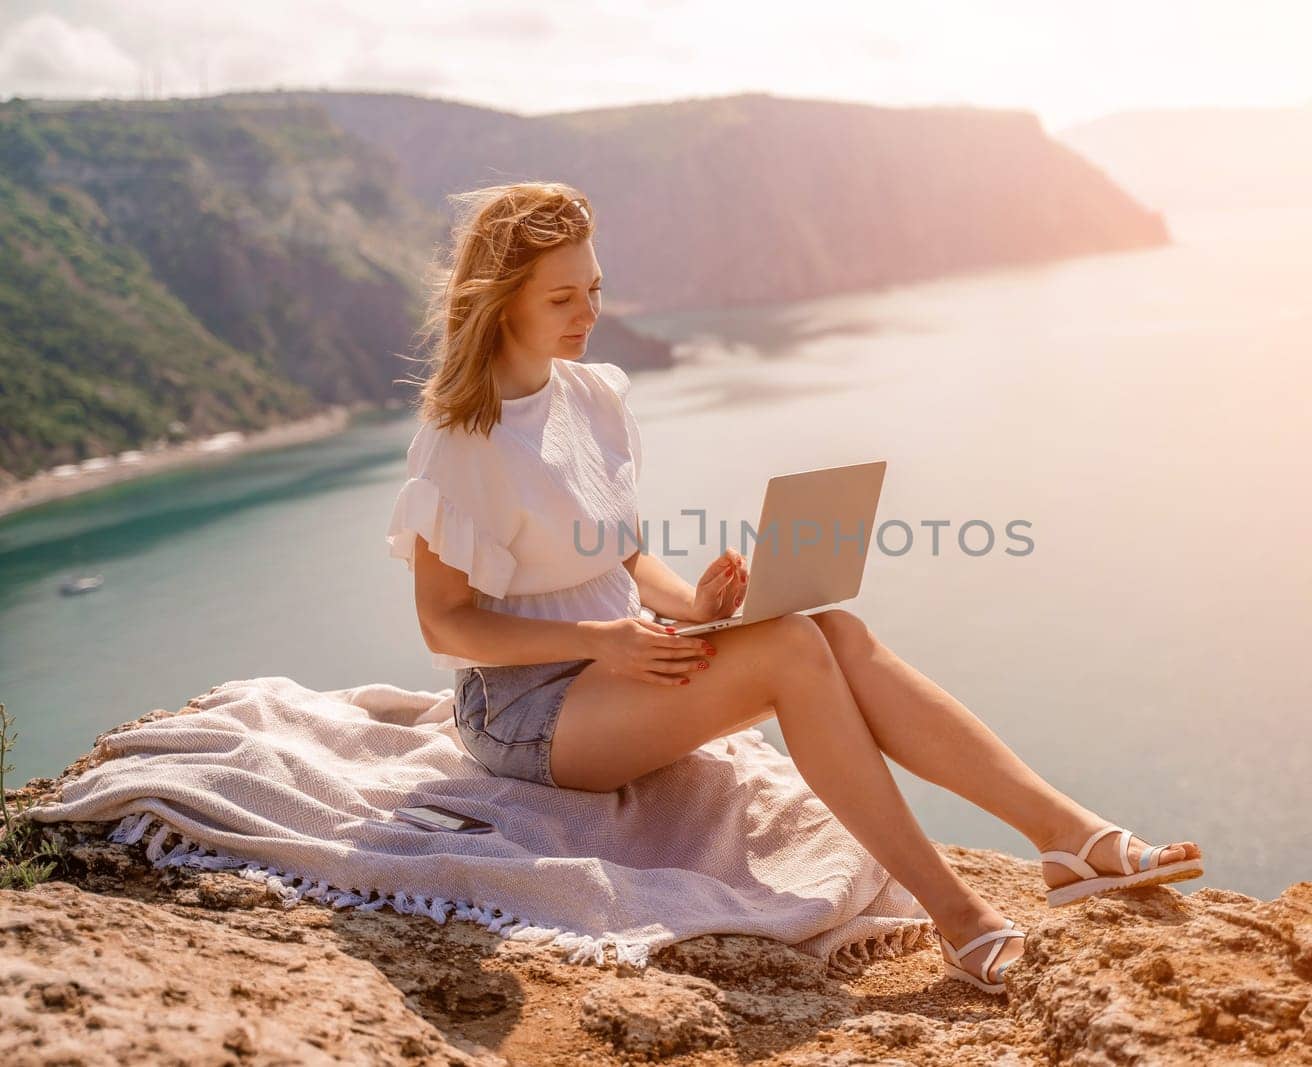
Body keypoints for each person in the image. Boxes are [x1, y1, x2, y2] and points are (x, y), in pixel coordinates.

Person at [385, 181, 1203, 995]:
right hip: (529, 710)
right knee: (789, 650)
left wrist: (694, 606)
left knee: (836, 631)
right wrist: (600, 640)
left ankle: (1068, 836)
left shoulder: (593, 396)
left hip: (622, 667)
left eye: (593, 288)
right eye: (562, 296)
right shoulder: (462, 440)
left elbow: (622, 557)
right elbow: (447, 626)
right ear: (500, 301)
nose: (587, 311)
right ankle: (958, 917)